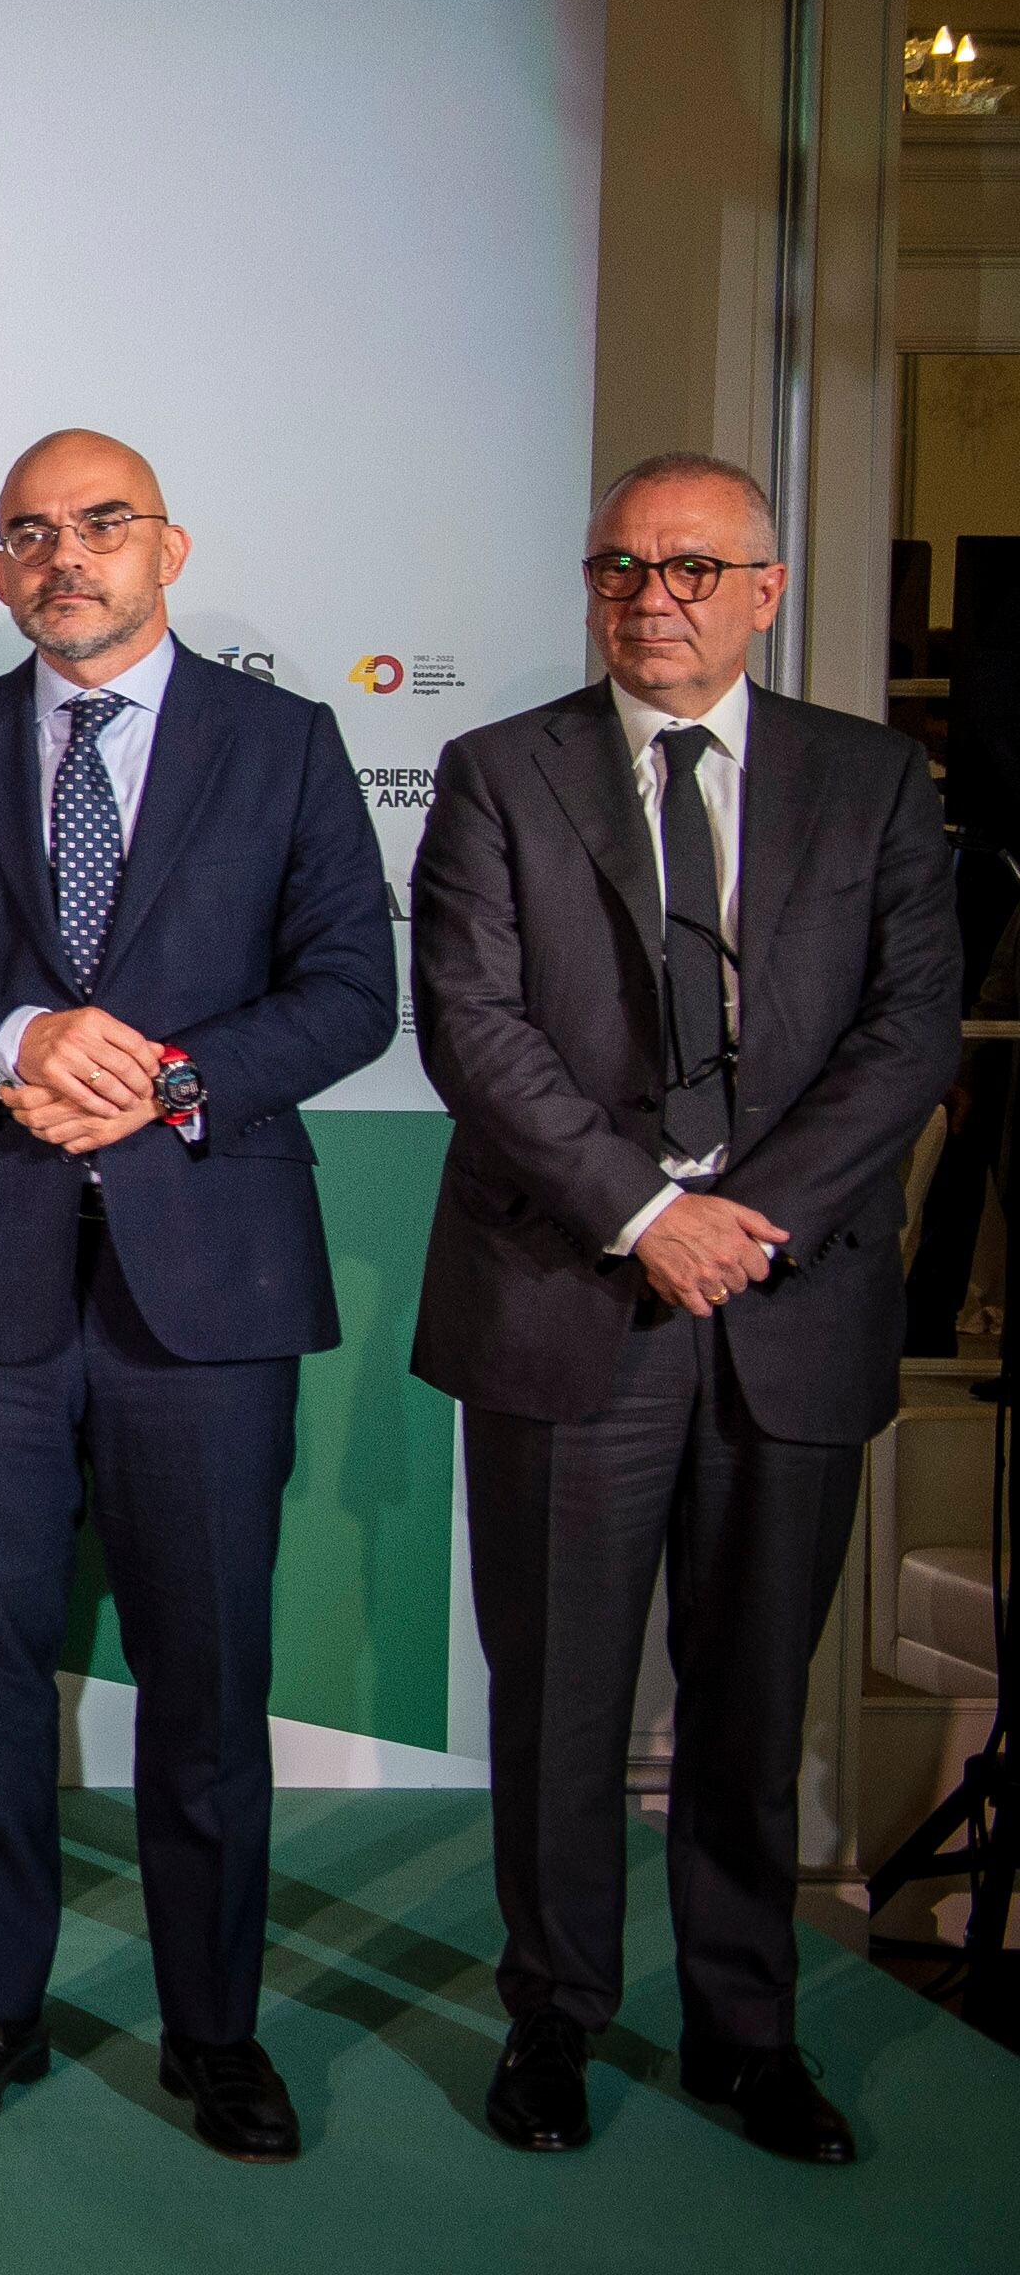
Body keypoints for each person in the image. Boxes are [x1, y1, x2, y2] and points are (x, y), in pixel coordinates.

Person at [0, 429, 395, 2162]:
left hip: (202, 1286)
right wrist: (12, 1041)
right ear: (0, 576)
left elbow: (354, 990)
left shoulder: (285, 745)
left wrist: (172, 1073)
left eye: (102, 526)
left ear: (171, 547)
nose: (66, 557)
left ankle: (216, 2029)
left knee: (207, 1681)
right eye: (31, 536)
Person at [411, 453, 958, 2166]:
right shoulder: (501, 774)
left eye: (696, 570)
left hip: (789, 1310)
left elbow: (910, 1033)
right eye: (623, 569)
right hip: (572, 1296)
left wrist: (753, 1220)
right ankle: (556, 2019)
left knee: (749, 1699)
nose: (656, 598)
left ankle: (745, 2030)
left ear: (767, 591)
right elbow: (474, 1030)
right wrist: (648, 1213)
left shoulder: (874, 786)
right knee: (560, 1695)